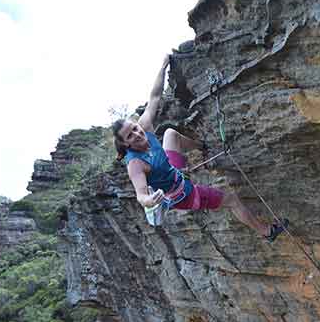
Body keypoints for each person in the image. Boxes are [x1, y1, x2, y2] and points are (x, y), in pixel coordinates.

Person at [112, 56, 288, 241]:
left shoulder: (144, 126)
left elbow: (154, 96)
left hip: (173, 170)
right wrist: (150, 200)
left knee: (170, 134)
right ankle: (267, 231)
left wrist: (163, 66)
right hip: (182, 195)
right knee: (231, 200)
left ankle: (202, 147)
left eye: (134, 128)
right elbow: (140, 194)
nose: (137, 134)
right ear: (125, 144)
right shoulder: (135, 164)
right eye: (130, 136)